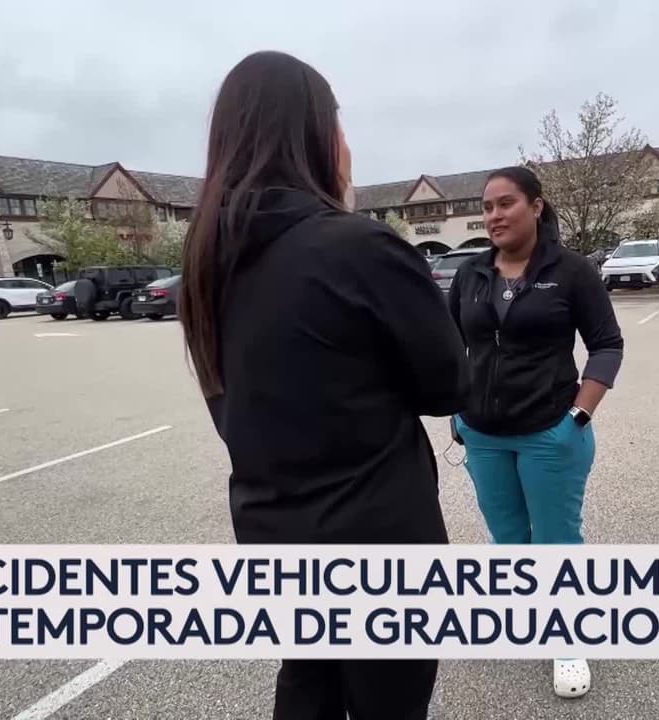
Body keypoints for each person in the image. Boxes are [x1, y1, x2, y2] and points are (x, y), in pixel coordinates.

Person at [178, 50, 466, 720]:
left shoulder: (208, 262)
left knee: (307, 679)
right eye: (338, 124)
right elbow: (448, 384)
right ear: (312, 134)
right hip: (378, 538)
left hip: (271, 529)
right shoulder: (359, 247)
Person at [447, 166, 624, 699]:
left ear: (536, 206)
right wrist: (456, 411)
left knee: (556, 540)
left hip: (550, 432)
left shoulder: (571, 271)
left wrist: (579, 417)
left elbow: (607, 344)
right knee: (508, 538)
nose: (494, 216)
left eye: (505, 204)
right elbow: (447, 345)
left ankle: (568, 639)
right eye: (487, 207)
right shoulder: (471, 273)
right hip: (483, 436)